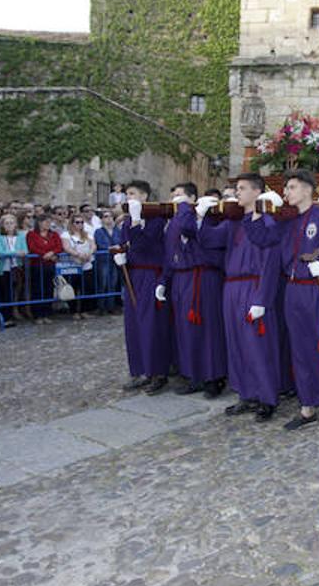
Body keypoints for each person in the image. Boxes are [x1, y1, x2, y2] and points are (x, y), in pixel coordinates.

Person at [242, 169, 319, 429]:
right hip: (293, 291)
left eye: (292, 187)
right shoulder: (286, 221)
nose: (286, 192)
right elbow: (262, 238)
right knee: (300, 350)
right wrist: (256, 213)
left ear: (308, 189)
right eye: (286, 188)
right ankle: (308, 407)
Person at [196, 173, 284, 419]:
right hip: (232, 287)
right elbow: (208, 239)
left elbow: (271, 263)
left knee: (258, 345)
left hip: (254, 286)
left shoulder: (268, 222)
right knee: (236, 344)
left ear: (257, 192)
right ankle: (246, 393)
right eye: (237, 188)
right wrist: (200, 217)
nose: (237, 193)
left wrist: (262, 299)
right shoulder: (233, 223)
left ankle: (267, 398)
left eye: (242, 188)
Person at [159, 186, 228, 397]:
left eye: (180, 196)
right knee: (185, 330)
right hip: (181, 277)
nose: (176, 200)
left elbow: (192, 231)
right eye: (173, 196)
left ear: (192, 198)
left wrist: (195, 214)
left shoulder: (210, 215)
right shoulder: (174, 221)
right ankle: (193, 374)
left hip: (203, 276)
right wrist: (163, 280)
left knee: (209, 329)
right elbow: (169, 253)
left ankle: (214, 377)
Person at [112, 180, 172, 393]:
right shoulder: (128, 221)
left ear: (144, 196)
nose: (128, 198)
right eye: (127, 194)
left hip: (151, 274)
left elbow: (143, 244)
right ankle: (139, 370)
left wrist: (137, 222)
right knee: (134, 324)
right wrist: (121, 257)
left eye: (132, 193)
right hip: (134, 274)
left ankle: (158, 372)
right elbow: (126, 243)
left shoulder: (157, 220)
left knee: (151, 324)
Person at [25, 215, 63, 325]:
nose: (47, 224)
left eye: (49, 222)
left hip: (50, 265)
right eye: (45, 222)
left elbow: (59, 246)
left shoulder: (54, 234)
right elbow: (32, 247)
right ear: (39, 223)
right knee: (37, 289)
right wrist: (44, 254)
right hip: (37, 265)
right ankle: (37, 314)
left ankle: (47, 313)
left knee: (49, 288)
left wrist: (52, 253)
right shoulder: (32, 234)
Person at [61, 213, 96, 319]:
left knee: (87, 287)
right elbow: (67, 247)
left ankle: (85, 310)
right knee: (73, 288)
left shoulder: (87, 234)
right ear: (72, 223)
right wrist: (78, 255)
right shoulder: (66, 235)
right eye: (77, 222)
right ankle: (74, 311)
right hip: (73, 266)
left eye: (81, 222)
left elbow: (93, 245)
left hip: (86, 264)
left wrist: (89, 253)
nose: (80, 224)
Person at [0, 214, 25, 325]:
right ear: (2, 225)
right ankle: (4, 316)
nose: (9, 225)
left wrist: (14, 253)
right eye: (7, 223)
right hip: (2, 268)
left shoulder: (20, 235)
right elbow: (0, 252)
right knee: (3, 291)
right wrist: (15, 253)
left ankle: (10, 315)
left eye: (11, 223)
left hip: (16, 267)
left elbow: (24, 250)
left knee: (14, 291)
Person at [93, 209, 118, 314]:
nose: (109, 219)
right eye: (106, 216)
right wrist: (112, 248)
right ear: (102, 219)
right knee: (103, 283)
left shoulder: (117, 230)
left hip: (115, 260)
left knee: (113, 283)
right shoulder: (98, 231)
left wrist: (117, 247)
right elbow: (100, 244)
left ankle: (111, 306)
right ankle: (101, 307)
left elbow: (120, 241)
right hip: (103, 260)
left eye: (110, 216)